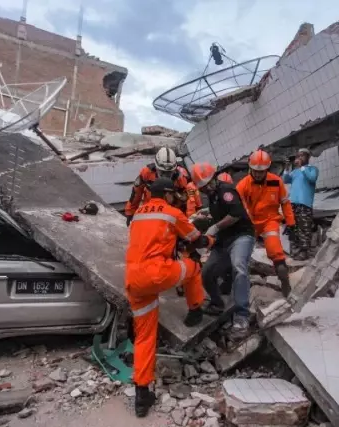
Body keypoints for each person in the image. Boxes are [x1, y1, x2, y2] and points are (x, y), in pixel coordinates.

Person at [125, 178, 215, 418]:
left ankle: (142, 394)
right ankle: (195, 309)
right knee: (194, 267)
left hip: (134, 280)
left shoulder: (138, 214)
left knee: (145, 337)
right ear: (166, 194)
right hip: (157, 274)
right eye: (173, 194)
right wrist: (212, 239)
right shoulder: (171, 212)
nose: (176, 197)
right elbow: (197, 238)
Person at [190, 162, 255, 337]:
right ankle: (217, 303)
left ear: (213, 179)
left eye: (206, 185)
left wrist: (216, 227)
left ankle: (242, 315)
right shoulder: (212, 195)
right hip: (224, 240)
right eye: (202, 188)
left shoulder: (226, 191)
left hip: (241, 236)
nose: (205, 189)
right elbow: (220, 212)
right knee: (207, 273)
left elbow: (235, 214)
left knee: (239, 267)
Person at [236, 150, 295, 297]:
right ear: (250, 168)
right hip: (250, 222)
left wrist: (291, 223)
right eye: (255, 171)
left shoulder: (276, 181)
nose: (257, 174)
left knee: (276, 253)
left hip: (270, 221)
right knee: (241, 254)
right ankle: (237, 284)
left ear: (267, 169)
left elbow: (285, 203)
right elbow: (235, 205)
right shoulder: (243, 185)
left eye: (261, 172)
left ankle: (285, 283)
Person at [124, 147, 188, 225]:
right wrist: (130, 212)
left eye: (168, 173)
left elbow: (184, 202)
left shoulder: (180, 179)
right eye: (162, 172)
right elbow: (136, 193)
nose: (165, 176)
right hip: (149, 211)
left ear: (174, 170)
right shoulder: (147, 173)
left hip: (170, 216)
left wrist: (183, 221)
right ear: (156, 167)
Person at [282, 148, 318, 260]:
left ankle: (304, 252)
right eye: (298, 156)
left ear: (308, 157)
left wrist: (302, 167)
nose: (299, 158)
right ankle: (295, 251)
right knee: (293, 227)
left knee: (304, 228)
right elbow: (285, 179)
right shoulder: (295, 172)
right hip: (293, 204)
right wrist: (287, 168)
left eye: (302, 156)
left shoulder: (313, 169)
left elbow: (312, 178)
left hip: (304, 204)